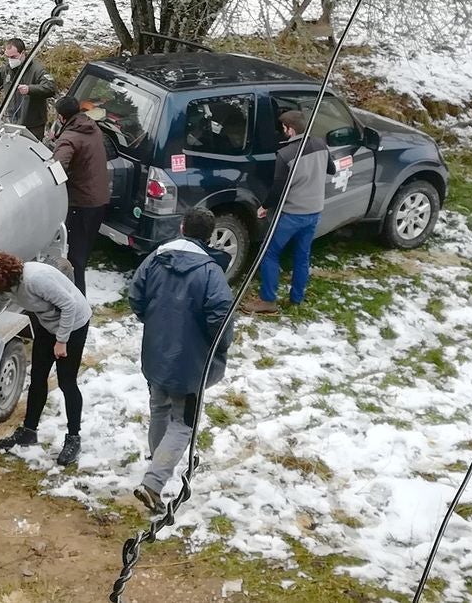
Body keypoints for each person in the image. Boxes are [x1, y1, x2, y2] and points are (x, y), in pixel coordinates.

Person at [127, 208, 234, 513]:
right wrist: (221, 347)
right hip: (190, 364)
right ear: (210, 236)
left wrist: (154, 320)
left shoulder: (154, 259)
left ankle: (156, 464)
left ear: (182, 226)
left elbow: (136, 296)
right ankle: (154, 482)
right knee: (183, 423)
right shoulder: (211, 272)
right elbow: (221, 317)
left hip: (155, 355)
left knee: (159, 410)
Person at [0, 251, 92, 466]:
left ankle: (74, 438)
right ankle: (29, 432)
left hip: (73, 325)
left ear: (0, 279)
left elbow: (69, 305)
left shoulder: (35, 280)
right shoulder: (9, 286)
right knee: (37, 377)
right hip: (48, 325)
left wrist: (62, 341)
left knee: (67, 382)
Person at [243, 109, 336, 315]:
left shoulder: (285, 155)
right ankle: (296, 297)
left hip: (292, 214)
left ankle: (268, 301)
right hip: (314, 212)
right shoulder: (321, 144)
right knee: (302, 255)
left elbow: (278, 188)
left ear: (291, 130)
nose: (282, 132)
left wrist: (264, 207)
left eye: (283, 129)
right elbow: (332, 170)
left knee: (269, 252)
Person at [50, 95, 110, 295]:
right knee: (82, 252)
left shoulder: (69, 138)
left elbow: (56, 169)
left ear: (61, 117)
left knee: (75, 259)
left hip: (81, 203)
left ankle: (77, 303)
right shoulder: (92, 127)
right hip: (99, 199)